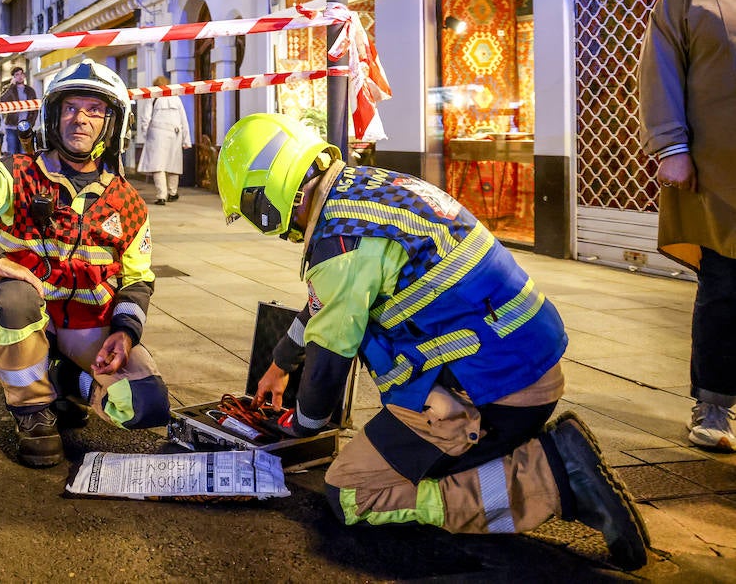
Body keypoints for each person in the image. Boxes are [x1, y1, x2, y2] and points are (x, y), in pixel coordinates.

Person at [216, 113, 650, 570]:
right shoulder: (364, 188)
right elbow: (322, 308)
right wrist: (280, 363)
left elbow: (327, 365)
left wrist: (299, 428)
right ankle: (538, 456)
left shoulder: (337, 242)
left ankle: (554, 474)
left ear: (264, 197)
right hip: (521, 360)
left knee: (351, 489)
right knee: (397, 453)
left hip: (494, 391)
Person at [0, 59, 170, 468]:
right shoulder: (17, 174)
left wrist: (126, 335)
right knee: (14, 300)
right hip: (27, 312)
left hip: (87, 327)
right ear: (53, 117)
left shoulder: (129, 202)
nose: (81, 119)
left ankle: (63, 380)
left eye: (95, 110)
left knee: (145, 405)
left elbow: (137, 281)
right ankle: (32, 410)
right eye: (71, 108)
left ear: (113, 125)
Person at [638, 0, 736, 454]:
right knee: (726, 285)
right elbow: (660, 65)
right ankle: (715, 405)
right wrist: (671, 145)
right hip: (721, 172)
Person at [136, 75, 192, 206]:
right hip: (175, 133)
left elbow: (145, 117)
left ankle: (162, 195)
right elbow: (184, 120)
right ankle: (173, 193)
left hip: (157, 133)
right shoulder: (176, 98)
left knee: (158, 165)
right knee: (173, 164)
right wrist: (186, 140)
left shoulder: (154, 97)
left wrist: (145, 133)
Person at [0, 65, 38, 155]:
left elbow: (35, 109)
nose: (20, 76)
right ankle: (13, 169)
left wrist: (31, 123)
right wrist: (11, 86)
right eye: (17, 74)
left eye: (21, 74)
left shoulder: (30, 90)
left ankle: (23, 169)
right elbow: (2, 100)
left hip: (25, 126)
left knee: (24, 152)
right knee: (12, 152)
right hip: (11, 125)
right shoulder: (8, 89)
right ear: (14, 77)